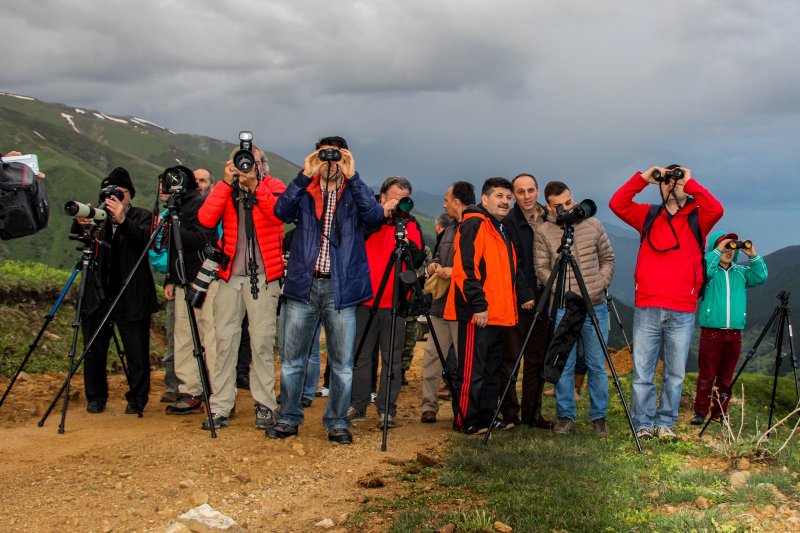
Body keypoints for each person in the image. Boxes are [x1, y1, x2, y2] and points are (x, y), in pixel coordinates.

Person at [271, 136, 387, 444]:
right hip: (304, 284)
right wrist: (304, 173)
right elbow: (280, 212)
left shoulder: (354, 194)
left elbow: (375, 217)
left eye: (337, 157)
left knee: (342, 364)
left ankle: (337, 422)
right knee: (293, 359)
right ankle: (287, 418)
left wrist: (353, 175)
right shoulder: (306, 191)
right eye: (325, 156)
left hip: (341, 288)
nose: (331, 162)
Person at [609, 164, 723, 441]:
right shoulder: (647, 214)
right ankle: (642, 423)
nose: (671, 186)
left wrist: (690, 183)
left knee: (675, 373)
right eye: (667, 182)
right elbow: (617, 203)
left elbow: (717, 209)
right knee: (643, 372)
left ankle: (665, 423)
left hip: (682, 307)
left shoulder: (699, 217)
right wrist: (644, 178)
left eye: (676, 181)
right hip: (649, 304)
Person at [197, 145, 286, 430]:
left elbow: (279, 215)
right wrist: (225, 183)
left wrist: (255, 187)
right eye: (243, 162)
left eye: (254, 162)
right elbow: (206, 219)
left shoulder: (274, 186)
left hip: (264, 276)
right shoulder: (226, 188)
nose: (248, 166)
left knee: (260, 343)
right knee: (224, 342)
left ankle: (264, 404)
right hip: (229, 277)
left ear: (263, 164)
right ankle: (221, 405)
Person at [445, 177, 534, 434]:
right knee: (473, 370)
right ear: (484, 199)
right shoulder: (475, 223)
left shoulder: (500, 228)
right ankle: (466, 420)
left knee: (492, 369)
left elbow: (511, 269)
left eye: (508, 197)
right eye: (499, 196)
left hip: (499, 313)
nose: (505, 201)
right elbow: (466, 270)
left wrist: (524, 293)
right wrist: (478, 305)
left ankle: (486, 417)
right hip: (479, 313)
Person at [72, 167, 158, 414]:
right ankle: (96, 397)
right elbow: (79, 239)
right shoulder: (97, 218)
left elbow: (145, 240)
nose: (113, 197)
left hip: (132, 295)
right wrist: (82, 223)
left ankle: (137, 398)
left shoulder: (142, 216)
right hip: (98, 294)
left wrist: (123, 220)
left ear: (129, 195)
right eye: (108, 192)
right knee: (94, 348)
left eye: (119, 192)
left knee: (136, 351)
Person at [534, 181, 615, 435]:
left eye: (569, 202)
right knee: (564, 362)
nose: (567, 208)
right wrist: (560, 288)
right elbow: (542, 268)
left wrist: (599, 285)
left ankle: (599, 416)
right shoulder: (544, 231)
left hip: (595, 304)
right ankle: (565, 416)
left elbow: (607, 258)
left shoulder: (593, 224)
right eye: (559, 205)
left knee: (596, 364)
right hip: (562, 306)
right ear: (549, 205)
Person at [348, 176, 425, 429]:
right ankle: (358, 404)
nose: (399, 204)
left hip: (395, 302)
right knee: (361, 356)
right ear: (382, 197)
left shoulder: (411, 224)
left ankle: (386, 410)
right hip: (365, 300)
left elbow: (416, 257)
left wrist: (406, 239)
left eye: (404, 199)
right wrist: (381, 215)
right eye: (395, 198)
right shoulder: (369, 219)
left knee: (391, 359)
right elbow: (354, 239)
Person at [496, 173, 554, 429]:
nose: (527, 196)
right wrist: (524, 294)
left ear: (538, 191)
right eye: (521, 192)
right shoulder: (508, 222)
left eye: (531, 190)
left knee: (537, 358)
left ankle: (533, 414)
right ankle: (510, 413)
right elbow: (511, 262)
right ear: (514, 194)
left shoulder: (550, 217)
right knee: (510, 358)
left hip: (546, 296)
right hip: (520, 300)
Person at [690, 233, 767, 424]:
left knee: (726, 379)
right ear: (716, 249)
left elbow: (761, 276)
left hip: (735, 333)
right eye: (725, 247)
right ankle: (700, 412)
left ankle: (719, 414)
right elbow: (703, 270)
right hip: (711, 332)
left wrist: (753, 255)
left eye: (732, 248)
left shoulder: (740, 272)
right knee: (707, 375)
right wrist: (717, 250)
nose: (729, 252)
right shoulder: (711, 272)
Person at [163, 167, 218, 415]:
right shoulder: (174, 209)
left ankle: (218, 392)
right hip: (182, 280)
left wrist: (175, 229)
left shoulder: (199, 204)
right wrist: (169, 278)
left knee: (210, 337)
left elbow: (204, 238)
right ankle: (190, 391)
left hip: (203, 278)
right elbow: (172, 251)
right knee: (183, 338)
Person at [420, 183, 474, 424]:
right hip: (440, 305)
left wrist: (456, 272)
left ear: (457, 201)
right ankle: (427, 408)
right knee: (432, 357)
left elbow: (479, 265)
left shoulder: (475, 228)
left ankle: (461, 409)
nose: (444, 204)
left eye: (447, 199)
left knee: (463, 362)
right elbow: (439, 256)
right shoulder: (449, 230)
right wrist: (434, 265)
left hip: (462, 305)